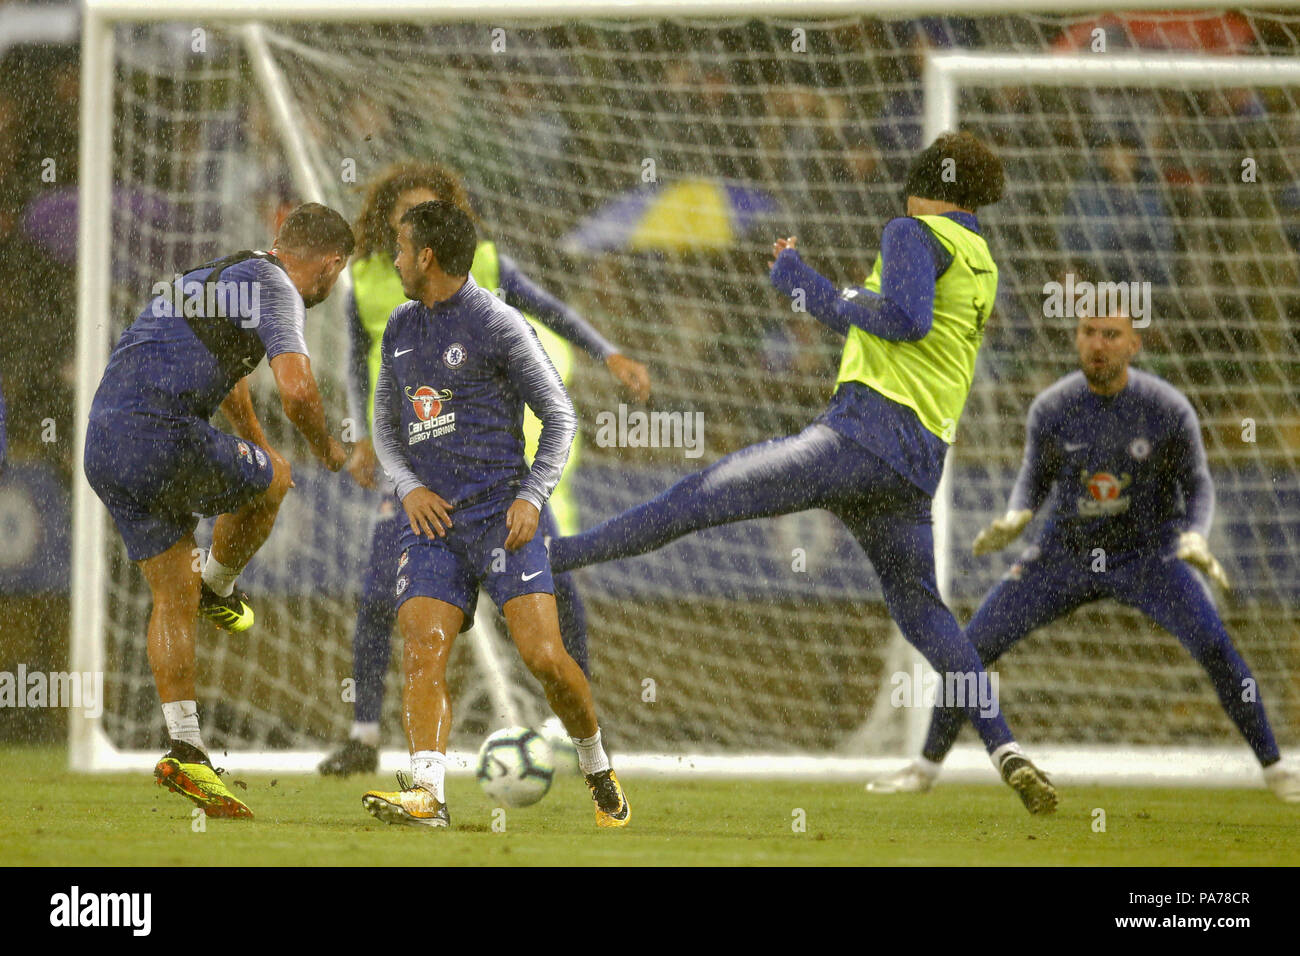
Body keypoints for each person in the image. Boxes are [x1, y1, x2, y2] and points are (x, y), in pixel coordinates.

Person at [549, 131, 1059, 814]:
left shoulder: (912, 229)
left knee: (701, 495)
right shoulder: (983, 258)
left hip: (860, 439)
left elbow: (905, 321)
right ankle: (1006, 748)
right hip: (915, 467)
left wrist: (803, 283)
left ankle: (550, 557)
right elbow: (914, 329)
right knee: (927, 616)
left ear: (921, 186)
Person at [869, 310, 1300, 802]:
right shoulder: (1052, 407)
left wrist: (1196, 536)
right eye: (1088, 333)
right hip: (1065, 554)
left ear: (1134, 344)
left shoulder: (1166, 408)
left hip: (1148, 554)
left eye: (1111, 335)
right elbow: (1034, 478)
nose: (1098, 344)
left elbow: (1198, 484)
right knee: (971, 646)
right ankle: (923, 769)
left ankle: (1275, 768)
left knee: (1214, 645)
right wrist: (1017, 515)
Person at [320, 161, 650, 776]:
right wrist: (362, 437)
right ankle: (365, 734)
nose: (405, 235)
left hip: (496, 473)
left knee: (556, 595)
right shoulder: (369, 280)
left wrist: (608, 352)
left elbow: (548, 309)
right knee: (376, 596)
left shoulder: (487, 270)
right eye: (400, 219)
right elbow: (355, 365)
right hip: (414, 470)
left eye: (419, 220)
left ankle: (578, 722)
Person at [83, 202, 354, 818]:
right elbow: (299, 389)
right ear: (331, 265)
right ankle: (220, 586)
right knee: (275, 482)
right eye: (334, 277)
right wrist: (326, 450)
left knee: (169, 593)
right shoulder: (279, 287)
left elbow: (232, 376)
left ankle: (186, 749)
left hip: (104, 444)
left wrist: (253, 441)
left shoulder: (222, 274)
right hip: (161, 433)